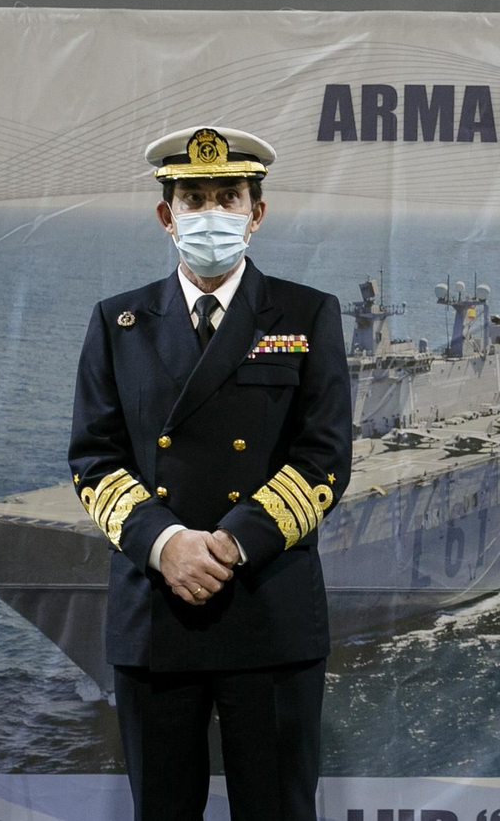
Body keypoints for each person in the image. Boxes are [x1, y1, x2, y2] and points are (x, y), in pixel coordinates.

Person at [68, 126, 352, 820]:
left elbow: (323, 456)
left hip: (268, 609)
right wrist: (167, 545)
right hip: (157, 613)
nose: (211, 214)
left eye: (229, 197)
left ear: (258, 212)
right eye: (193, 199)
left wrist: (227, 544)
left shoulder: (306, 315)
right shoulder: (118, 323)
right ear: (166, 216)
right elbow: (94, 458)